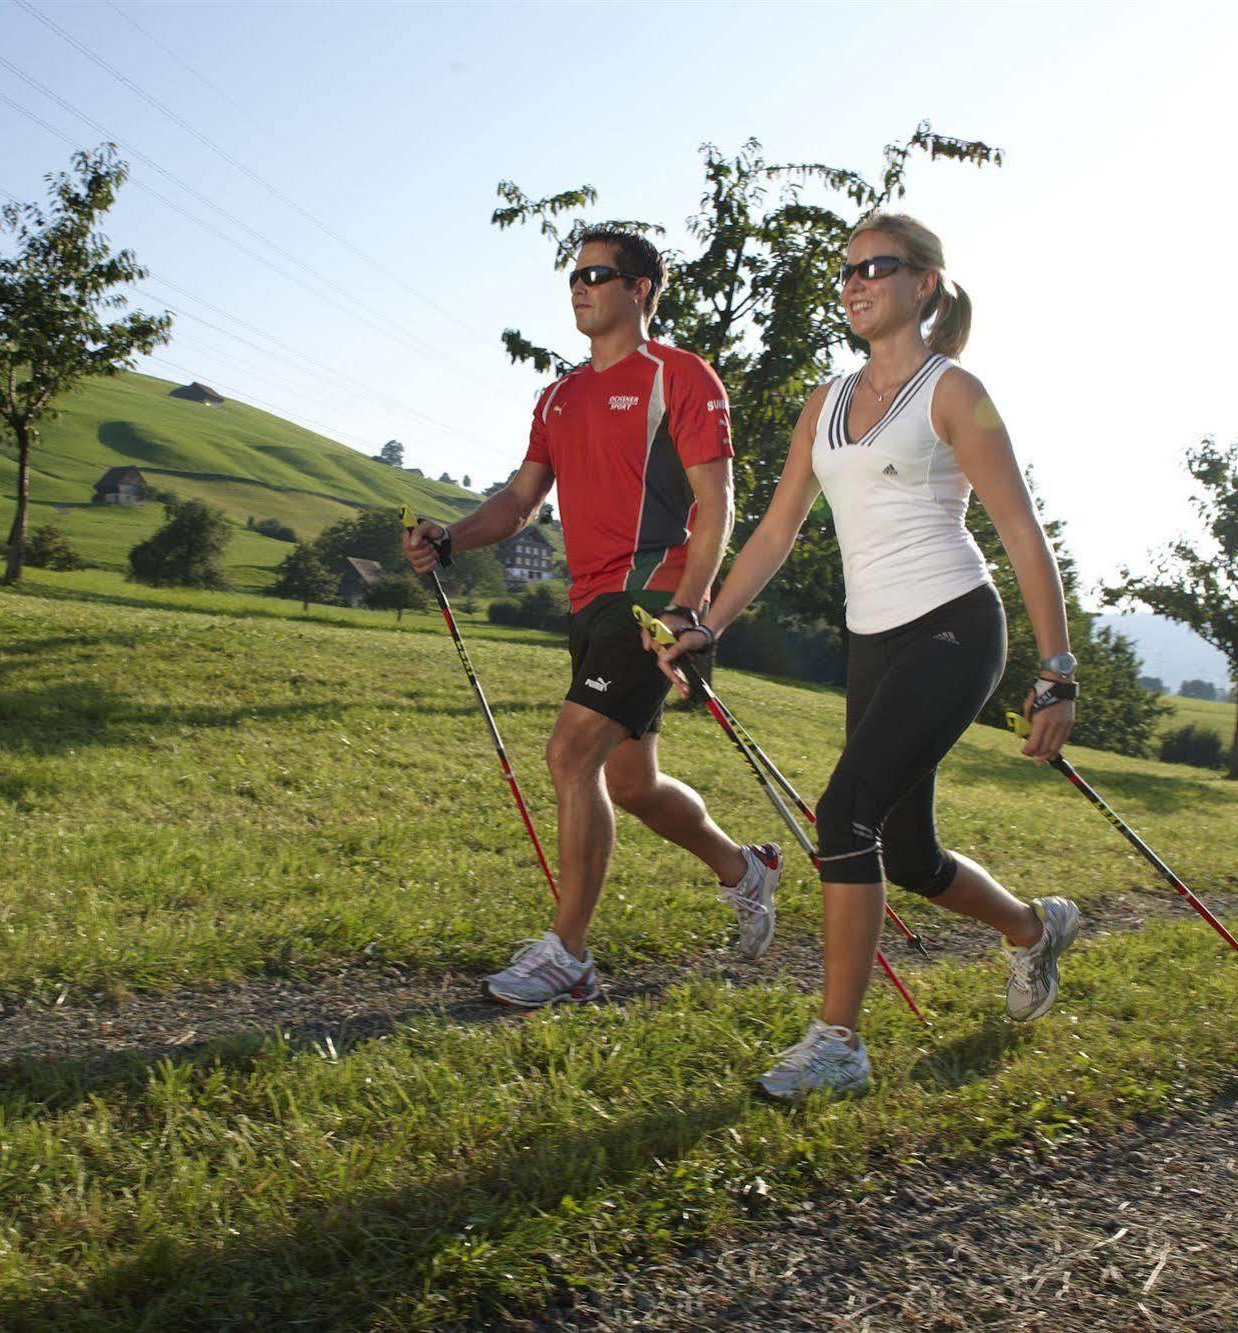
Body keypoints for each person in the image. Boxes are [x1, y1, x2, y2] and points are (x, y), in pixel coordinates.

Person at [652, 212, 1082, 1100]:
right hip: (873, 637)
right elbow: (774, 531)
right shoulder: (826, 401)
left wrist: (1056, 670)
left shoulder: (955, 393)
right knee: (910, 851)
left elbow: (1021, 534)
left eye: (873, 268)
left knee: (843, 810)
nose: (852, 283)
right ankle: (1033, 929)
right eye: (844, 271)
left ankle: (838, 1041)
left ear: (923, 283)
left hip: (955, 625)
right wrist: (706, 620)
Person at [403, 227, 781, 1007]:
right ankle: (743, 868)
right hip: (589, 600)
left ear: (640, 288)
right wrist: (449, 538)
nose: (578, 287)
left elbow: (716, 504)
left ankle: (567, 954)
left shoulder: (678, 376)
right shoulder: (558, 395)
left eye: (596, 274)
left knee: (569, 754)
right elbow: (516, 503)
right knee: (632, 783)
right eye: (572, 275)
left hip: (653, 596)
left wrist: (687, 607)